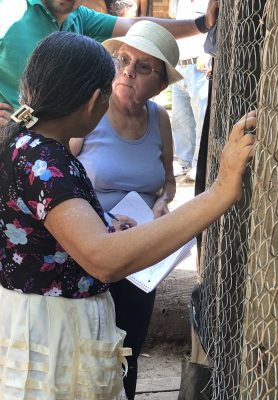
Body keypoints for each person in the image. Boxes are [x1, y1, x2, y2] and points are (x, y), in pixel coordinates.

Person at [0, 30, 256, 398]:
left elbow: (49, 228)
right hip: (55, 332)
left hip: (44, 323)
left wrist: (104, 224)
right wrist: (219, 192)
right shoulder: (46, 162)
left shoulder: (26, 143)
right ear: (94, 101)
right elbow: (103, 260)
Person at [69, 21, 182, 399]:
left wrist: (163, 203)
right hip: (87, 251)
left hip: (139, 256)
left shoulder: (160, 119)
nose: (129, 71)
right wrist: (102, 218)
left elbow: (167, 179)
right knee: (83, 351)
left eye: (144, 67)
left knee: (127, 350)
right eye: (123, 59)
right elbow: (59, 178)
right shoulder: (87, 111)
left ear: (161, 85)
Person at [0, 0, 218, 125]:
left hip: (46, 143)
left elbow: (136, 25)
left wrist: (202, 24)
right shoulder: (11, 10)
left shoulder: (80, 17)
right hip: (7, 139)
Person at [171, 0, 211, 181]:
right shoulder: (179, 2)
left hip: (198, 67)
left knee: (200, 117)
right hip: (179, 66)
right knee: (181, 119)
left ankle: (197, 163)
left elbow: (214, 27)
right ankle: (184, 162)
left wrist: (207, 54)